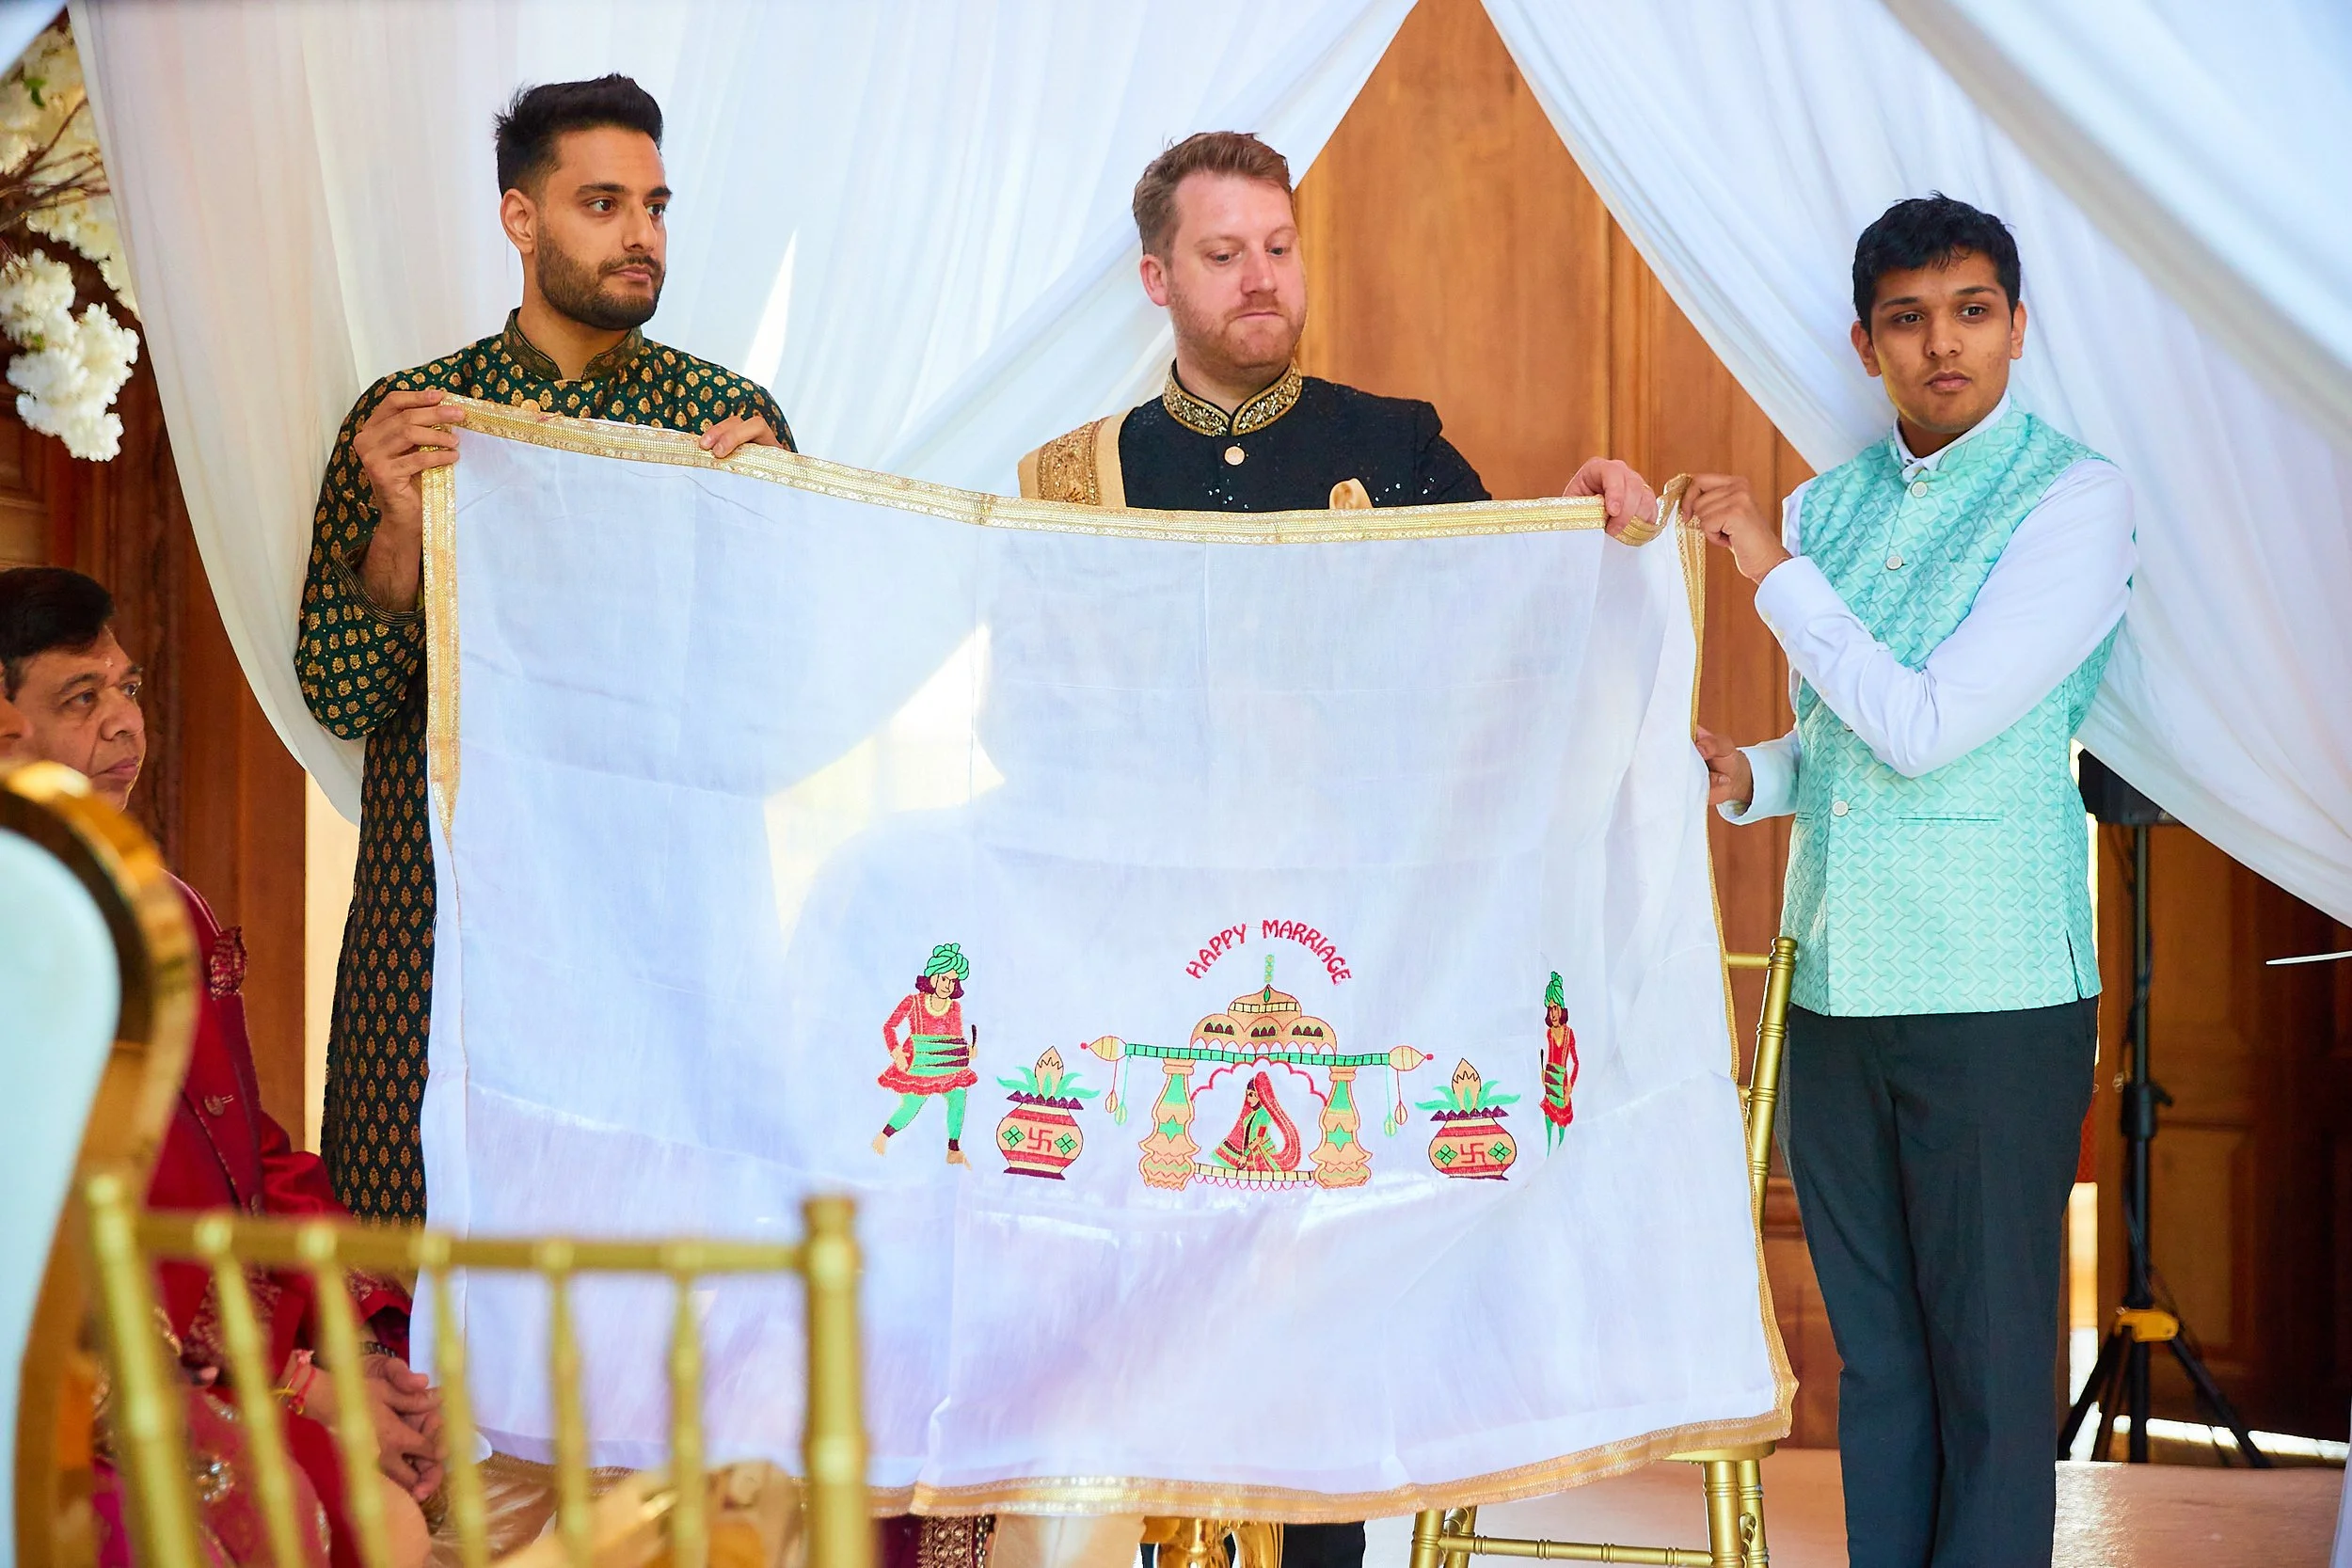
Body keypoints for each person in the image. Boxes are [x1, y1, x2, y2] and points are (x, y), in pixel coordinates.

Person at [1012, 130, 1657, 1568]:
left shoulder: (1394, 446)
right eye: (1223, 253)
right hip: (1142, 950)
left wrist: (1596, 534)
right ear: (1156, 277)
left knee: (1317, 1318)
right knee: (1152, 1314)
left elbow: (1512, 628)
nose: (1260, 279)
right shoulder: (1071, 477)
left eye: (1279, 247)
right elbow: (1030, 718)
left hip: (1352, 955)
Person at [1690, 195, 2134, 1568]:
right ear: (1866, 341)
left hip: (1993, 990)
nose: (1943, 344)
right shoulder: (1835, 501)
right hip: (1835, 983)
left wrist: (1769, 570)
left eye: (1972, 310)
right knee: (1877, 1369)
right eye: (1909, 318)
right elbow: (1844, 738)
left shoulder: (2072, 497)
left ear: (2015, 324)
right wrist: (1751, 775)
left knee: (1992, 1380)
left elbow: (1932, 724)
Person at [294, 74, 794, 1222]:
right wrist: (404, 531)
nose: (641, 237)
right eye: (604, 203)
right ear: (521, 219)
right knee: (412, 1272)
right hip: (440, 920)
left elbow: (770, 707)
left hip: (660, 922)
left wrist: (767, 528)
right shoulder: (417, 419)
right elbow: (340, 691)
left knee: (662, 1279)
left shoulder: (725, 426)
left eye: (656, 206)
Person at [2, 566, 441, 1568]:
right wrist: (294, 1386)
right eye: (82, 697)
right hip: (87, 1374)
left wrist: (354, 1343)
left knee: (410, 1482)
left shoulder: (167, 905)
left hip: (225, 1354)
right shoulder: (23, 939)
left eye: (128, 687)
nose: (125, 724)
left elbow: (253, 1155)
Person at [873, 943, 978, 1164]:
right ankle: (883, 1136)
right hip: (919, 1063)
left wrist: (967, 1052)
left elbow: (954, 1039)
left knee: (958, 1096)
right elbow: (889, 1027)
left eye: (952, 981)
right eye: (943, 978)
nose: (947, 985)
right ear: (933, 977)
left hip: (945, 1065)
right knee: (912, 1104)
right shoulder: (913, 1002)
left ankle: (953, 1148)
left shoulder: (954, 1008)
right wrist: (897, 1053)